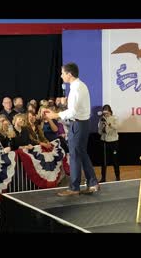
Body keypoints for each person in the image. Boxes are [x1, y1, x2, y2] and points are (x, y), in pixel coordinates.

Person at [44, 62, 99, 196]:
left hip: (78, 124)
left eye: (63, 73)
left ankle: (74, 188)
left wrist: (54, 115)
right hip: (82, 124)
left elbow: (73, 112)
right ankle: (93, 183)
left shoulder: (76, 88)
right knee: (82, 153)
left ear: (69, 74)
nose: (61, 76)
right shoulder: (80, 86)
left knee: (74, 156)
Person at [98, 104, 120, 182]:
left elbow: (117, 127)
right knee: (104, 161)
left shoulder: (114, 118)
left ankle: (117, 177)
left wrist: (108, 123)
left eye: (107, 113)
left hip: (113, 141)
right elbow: (99, 132)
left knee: (115, 160)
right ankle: (103, 178)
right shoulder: (102, 119)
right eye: (104, 113)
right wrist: (101, 124)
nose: (106, 115)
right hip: (104, 141)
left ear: (110, 112)